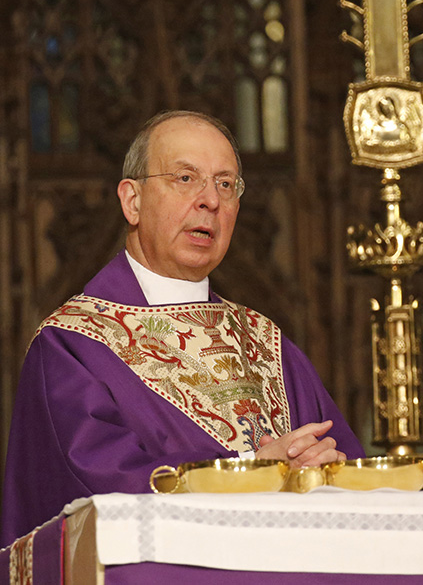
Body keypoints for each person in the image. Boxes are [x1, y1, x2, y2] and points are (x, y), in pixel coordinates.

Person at [1, 110, 364, 545]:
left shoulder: (264, 340)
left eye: (225, 184)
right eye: (185, 178)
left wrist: (326, 467)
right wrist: (252, 472)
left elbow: (345, 462)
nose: (210, 199)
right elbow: (96, 496)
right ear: (132, 201)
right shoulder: (73, 345)